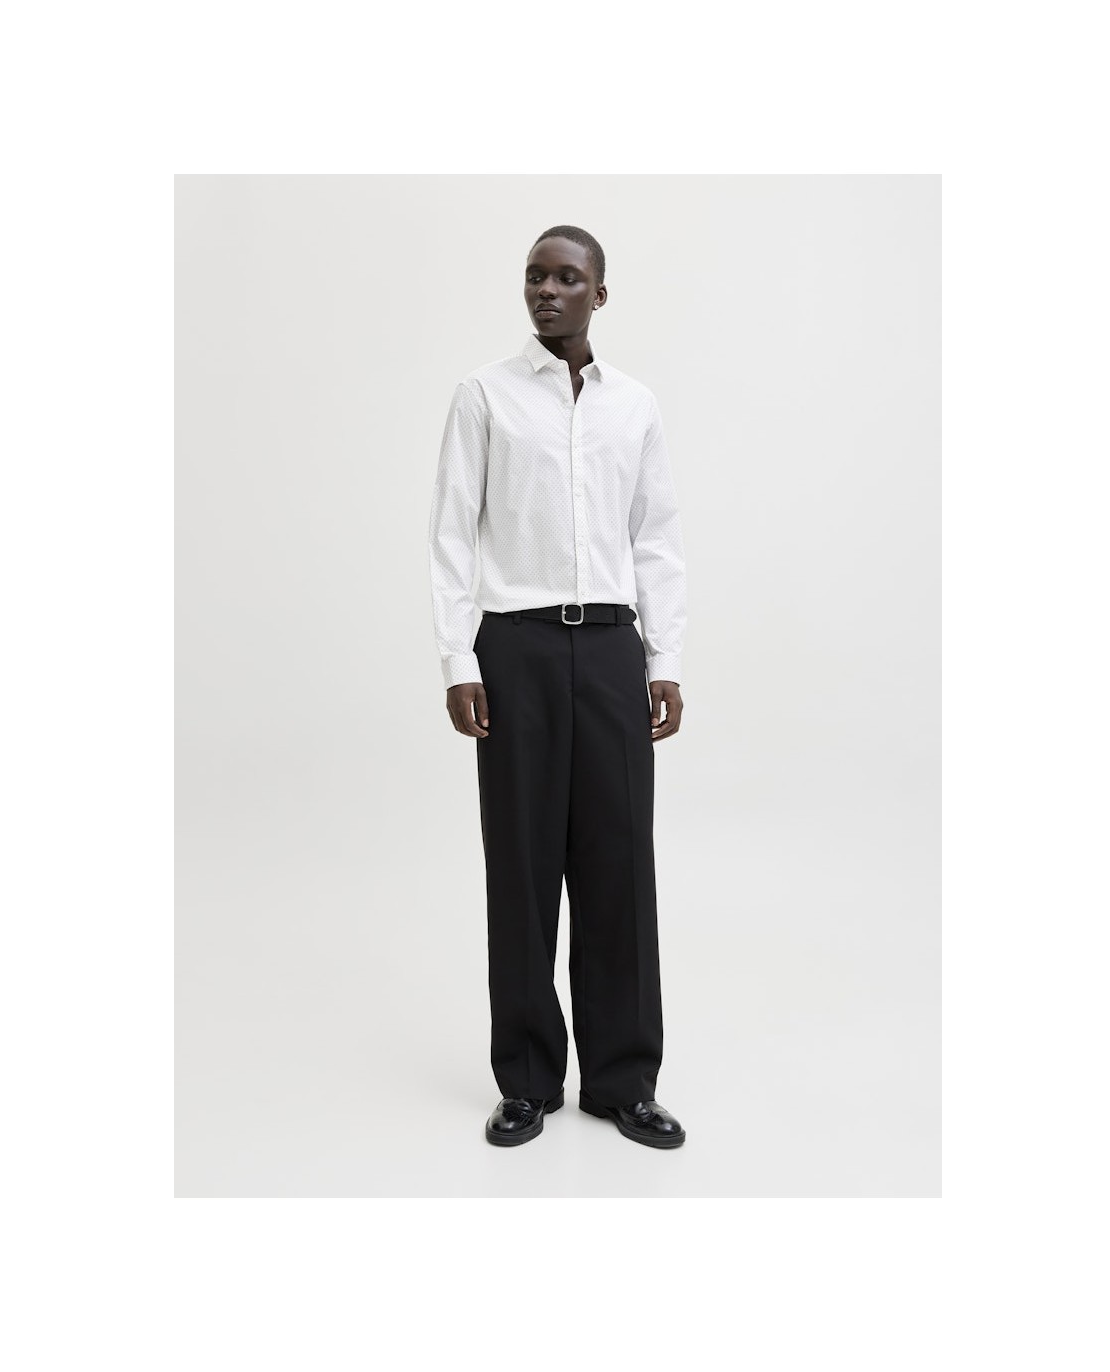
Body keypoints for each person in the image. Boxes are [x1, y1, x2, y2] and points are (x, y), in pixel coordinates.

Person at [427, 225, 688, 1150]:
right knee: (524, 868)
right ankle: (528, 1080)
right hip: (517, 650)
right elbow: (452, 534)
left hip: (612, 649)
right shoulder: (485, 396)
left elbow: (655, 536)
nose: (547, 290)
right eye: (535, 276)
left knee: (620, 870)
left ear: (598, 295)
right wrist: (460, 661)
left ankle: (623, 1081)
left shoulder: (635, 405)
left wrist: (664, 659)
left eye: (567, 278)